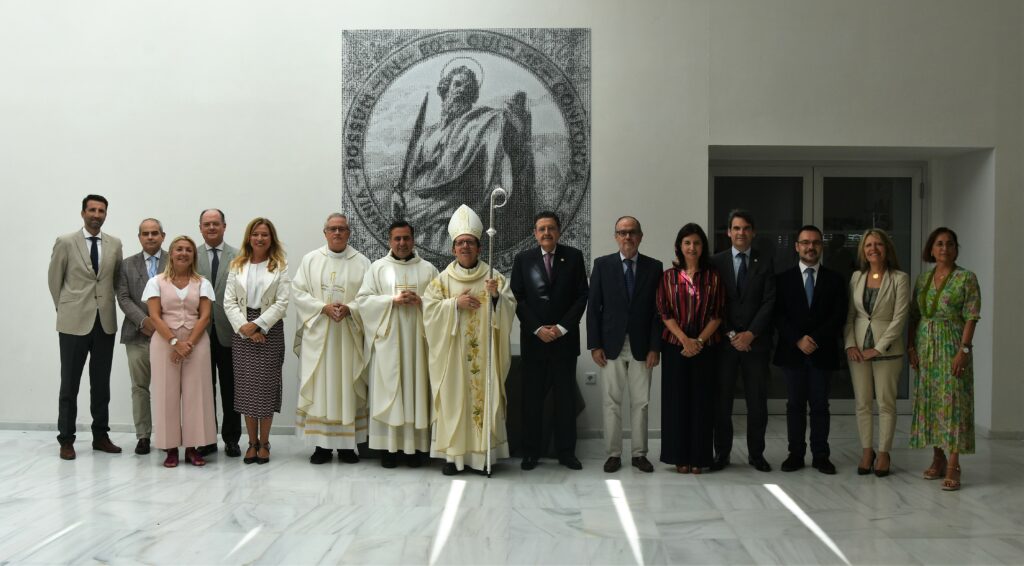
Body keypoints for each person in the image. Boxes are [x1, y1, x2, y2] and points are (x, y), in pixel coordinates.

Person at [394, 63, 535, 255]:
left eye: (468, 88)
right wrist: (399, 193)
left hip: (455, 211)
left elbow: (505, 130)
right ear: (445, 89)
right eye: (458, 84)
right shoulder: (428, 134)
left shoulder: (483, 122)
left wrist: (514, 119)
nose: (462, 91)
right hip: (417, 210)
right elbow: (411, 174)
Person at [422, 204, 516, 475]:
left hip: (485, 356)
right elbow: (429, 311)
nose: (465, 247)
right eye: (460, 243)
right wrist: (454, 304)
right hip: (452, 358)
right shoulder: (441, 280)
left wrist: (496, 296)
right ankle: (454, 457)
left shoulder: (493, 277)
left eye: (470, 243)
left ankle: (483, 456)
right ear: (453, 249)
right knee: (453, 403)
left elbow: (509, 308)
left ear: (478, 247)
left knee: (483, 401)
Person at [356, 221, 438, 467]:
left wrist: (421, 301)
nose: (402, 243)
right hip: (388, 342)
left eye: (406, 238)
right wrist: (391, 300)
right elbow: (363, 301)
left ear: (414, 240)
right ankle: (388, 450)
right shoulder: (377, 268)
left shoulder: (428, 270)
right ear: (389, 241)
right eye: (397, 239)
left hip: (417, 344)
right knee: (389, 393)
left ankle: (414, 450)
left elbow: (439, 304)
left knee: (415, 391)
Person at [511, 211, 589, 471]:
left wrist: (561, 327)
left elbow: (581, 296)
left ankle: (566, 452)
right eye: (541, 229)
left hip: (564, 342)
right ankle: (531, 452)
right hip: (534, 342)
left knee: (565, 400)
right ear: (535, 233)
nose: (546, 233)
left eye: (551, 228)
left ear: (558, 231)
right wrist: (537, 329)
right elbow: (517, 298)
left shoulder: (574, 257)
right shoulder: (523, 259)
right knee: (531, 400)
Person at [48, 194, 123, 460]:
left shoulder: (115, 244)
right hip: (73, 322)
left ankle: (100, 436)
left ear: (105, 214)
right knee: (69, 383)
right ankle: (66, 439)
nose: (96, 214)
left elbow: (115, 282)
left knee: (101, 383)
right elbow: (54, 280)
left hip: (104, 322)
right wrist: (66, 308)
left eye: (101, 210)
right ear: (83, 213)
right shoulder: (66, 242)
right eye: (92, 210)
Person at [292, 213, 371, 464]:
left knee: (347, 386)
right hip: (320, 336)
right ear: (324, 232)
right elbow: (298, 291)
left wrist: (351, 308)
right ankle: (321, 446)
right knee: (321, 386)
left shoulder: (362, 262)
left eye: (342, 229)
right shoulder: (311, 260)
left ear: (349, 233)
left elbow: (369, 296)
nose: (337, 233)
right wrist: (321, 308)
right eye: (332, 229)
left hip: (348, 335)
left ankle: (347, 446)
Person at [587, 216, 662, 474]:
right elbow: (594, 308)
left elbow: (657, 312)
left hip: (643, 346)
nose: (627, 237)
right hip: (610, 345)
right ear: (615, 237)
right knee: (611, 402)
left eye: (632, 232)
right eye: (622, 232)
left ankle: (640, 454)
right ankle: (613, 454)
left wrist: (656, 346)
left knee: (641, 403)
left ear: (640, 236)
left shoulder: (654, 267)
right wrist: (595, 344)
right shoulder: (603, 265)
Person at [908, 227, 980, 491]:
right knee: (932, 402)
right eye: (939, 244)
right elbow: (914, 316)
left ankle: (953, 463)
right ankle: (937, 458)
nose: (944, 248)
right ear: (931, 249)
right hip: (926, 347)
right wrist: (910, 348)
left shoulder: (966, 278)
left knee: (954, 403)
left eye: (950, 244)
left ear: (956, 249)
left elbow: (972, 315)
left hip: (952, 345)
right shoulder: (923, 280)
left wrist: (965, 349)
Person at [774, 225, 848, 475]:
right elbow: (779, 315)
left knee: (819, 405)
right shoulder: (782, 279)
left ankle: (821, 455)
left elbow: (838, 316)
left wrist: (814, 339)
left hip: (822, 351)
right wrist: (797, 339)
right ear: (796, 246)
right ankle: (795, 454)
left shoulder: (835, 279)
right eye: (805, 242)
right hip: (792, 352)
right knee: (794, 405)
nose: (810, 247)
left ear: (821, 246)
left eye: (815, 242)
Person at [656, 223, 724, 474]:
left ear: (702, 246)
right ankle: (679, 458)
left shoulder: (713, 277)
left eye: (696, 242)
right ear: (679, 246)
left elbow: (717, 315)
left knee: (702, 403)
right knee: (676, 403)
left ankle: (700, 458)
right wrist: (685, 340)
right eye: (687, 243)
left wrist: (699, 342)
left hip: (706, 347)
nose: (692, 247)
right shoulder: (668, 277)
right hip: (675, 347)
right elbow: (664, 312)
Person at [711, 210, 775, 472]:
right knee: (722, 402)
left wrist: (751, 333)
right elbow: (713, 303)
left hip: (755, 345)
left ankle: (756, 454)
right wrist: (731, 335)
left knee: (757, 402)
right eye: (736, 228)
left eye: (746, 228)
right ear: (728, 232)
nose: (741, 233)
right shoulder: (716, 262)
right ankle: (721, 454)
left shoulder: (766, 262)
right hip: (724, 345)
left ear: (753, 232)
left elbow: (770, 301)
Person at [144, 236, 217, 467]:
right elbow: (155, 316)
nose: (183, 253)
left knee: (197, 394)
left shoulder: (202, 282)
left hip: (197, 343)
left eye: (188, 250)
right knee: (166, 394)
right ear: (171, 253)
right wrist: (176, 343)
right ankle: (171, 448)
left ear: (193, 255)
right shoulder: (156, 281)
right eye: (178, 249)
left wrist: (189, 344)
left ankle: (194, 448)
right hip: (165, 342)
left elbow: (205, 316)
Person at [844, 229, 910, 477]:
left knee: (885, 403)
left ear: (887, 248)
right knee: (862, 403)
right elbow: (850, 315)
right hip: (858, 351)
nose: (873, 249)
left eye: (878, 244)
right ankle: (867, 451)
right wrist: (850, 344)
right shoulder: (856, 277)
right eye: (868, 245)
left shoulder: (899, 278)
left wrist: (878, 348)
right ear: (863, 250)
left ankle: (883, 453)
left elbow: (899, 317)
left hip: (887, 351)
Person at [224, 218, 290, 464]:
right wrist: (246, 328)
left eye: (264, 235)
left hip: (269, 329)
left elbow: (282, 303)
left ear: (271, 238)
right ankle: (251, 443)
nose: (260, 239)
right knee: (246, 389)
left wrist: (259, 325)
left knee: (265, 388)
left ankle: (265, 442)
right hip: (242, 327)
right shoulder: (237, 264)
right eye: (255, 234)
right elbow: (229, 301)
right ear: (248, 238)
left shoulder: (280, 265)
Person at [115, 218, 167, 455]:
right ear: (139, 237)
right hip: (137, 334)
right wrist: (144, 321)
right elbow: (123, 297)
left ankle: (169, 435)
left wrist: (160, 324)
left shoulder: (175, 260)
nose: (150, 237)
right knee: (140, 387)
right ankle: (143, 435)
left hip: (168, 335)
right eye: (145, 233)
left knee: (168, 387)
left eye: (154, 233)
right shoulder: (126, 264)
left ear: (162, 236)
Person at [196, 209, 241, 458]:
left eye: (216, 223)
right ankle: (207, 439)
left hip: (229, 331)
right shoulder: (191, 255)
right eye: (207, 224)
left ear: (224, 226)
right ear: (200, 228)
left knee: (230, 387)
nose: (211, 227)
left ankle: (232, 439)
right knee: (204, 387)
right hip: (200, 331)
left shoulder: (239, 256)